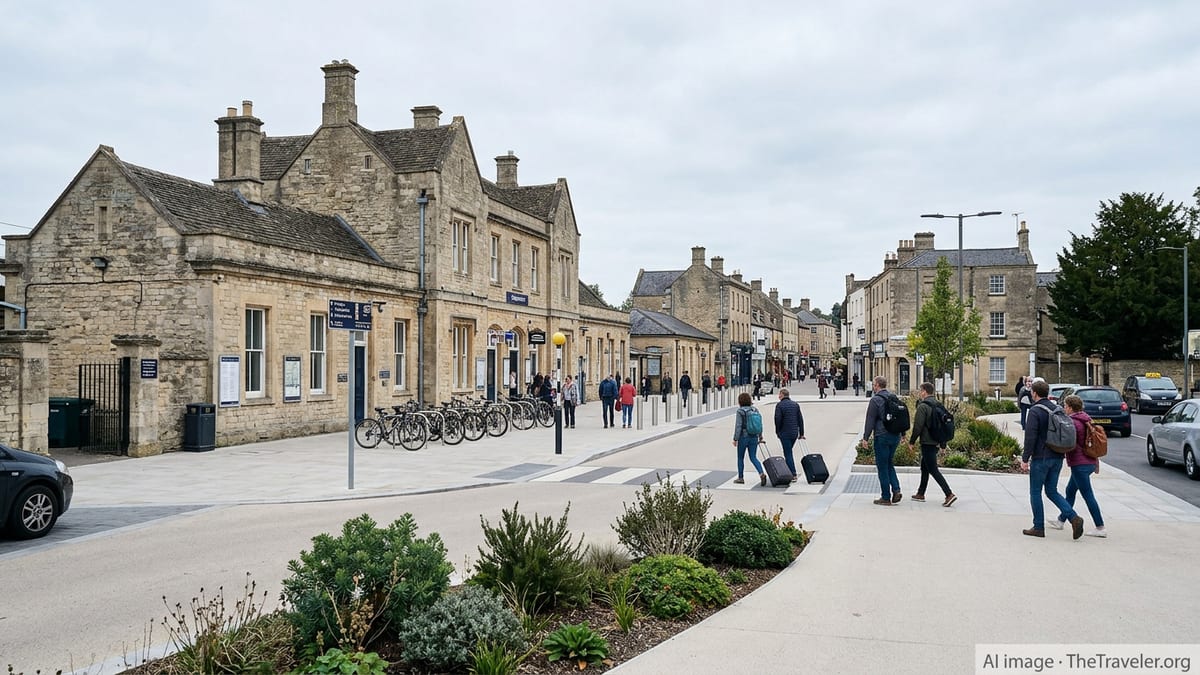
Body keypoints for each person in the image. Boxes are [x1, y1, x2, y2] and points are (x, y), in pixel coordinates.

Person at [1019, 379, 1085, 539]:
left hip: (1041, 457)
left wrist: (1025, 458)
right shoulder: (1057, 408)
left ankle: (1038, 527)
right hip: (1057, 455)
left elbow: (1030, 437)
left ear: (1034, 393)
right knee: (1052, 491)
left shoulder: (1035, 411)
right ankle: (1073, 517)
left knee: (1035, 492)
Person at [1048, 395, 1106, 537]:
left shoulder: (1073, 422)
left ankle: (1100, 527)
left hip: (1080, 464)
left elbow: (1069, 443)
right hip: (1089, 461)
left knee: (1088, 495)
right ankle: (1061, 520)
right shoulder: (1086, 418)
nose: (1064, 408)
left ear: (1070, 407)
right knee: (1070, 491)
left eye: (1066, 406)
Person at [910, 382, 956, 507]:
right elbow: (943, 425)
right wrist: (943, 444)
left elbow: (918, 426)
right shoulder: (938, 404)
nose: (920, 393)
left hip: (927, 441)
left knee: (933, 469)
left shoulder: (923, 406)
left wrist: (912, 441)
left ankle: (949, 494)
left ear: (924, 391)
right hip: (936, 440)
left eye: (921, 391)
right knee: (925, 467)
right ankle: (920, 493)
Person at [864, 376, 902, 506]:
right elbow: (900, 416)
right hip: (895, 436)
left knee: (882, 466)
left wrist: (865, 437)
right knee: (889, 462)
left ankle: (886, 497)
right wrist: (903, 434)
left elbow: (870, 420)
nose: (873, 387)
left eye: (874, 385)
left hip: (882, 436)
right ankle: (896, 489)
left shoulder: (875, 400)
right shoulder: (894, 397)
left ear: (877, 385)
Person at [732, 392, 767, 486]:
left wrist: (735, 438)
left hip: (743, 437)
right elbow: (759, 424)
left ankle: (740, 477)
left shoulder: (740, 411)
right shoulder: (755, 410)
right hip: (754, 436)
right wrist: (760, 435)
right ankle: (761, 473)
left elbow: (738, 426)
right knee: (753, 457)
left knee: (740, 457)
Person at [774, 387, 803, 482]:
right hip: (794, 432)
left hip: (784, 432)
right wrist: (801, 433)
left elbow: (777, 419)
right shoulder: (795, 405)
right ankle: (788, 472)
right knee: (788, 451)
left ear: (782, 395)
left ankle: (793, 473)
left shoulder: (779, 405)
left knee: (788, 453)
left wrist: (777, 431)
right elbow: (800, 420)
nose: (778, 396)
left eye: (779, 394)